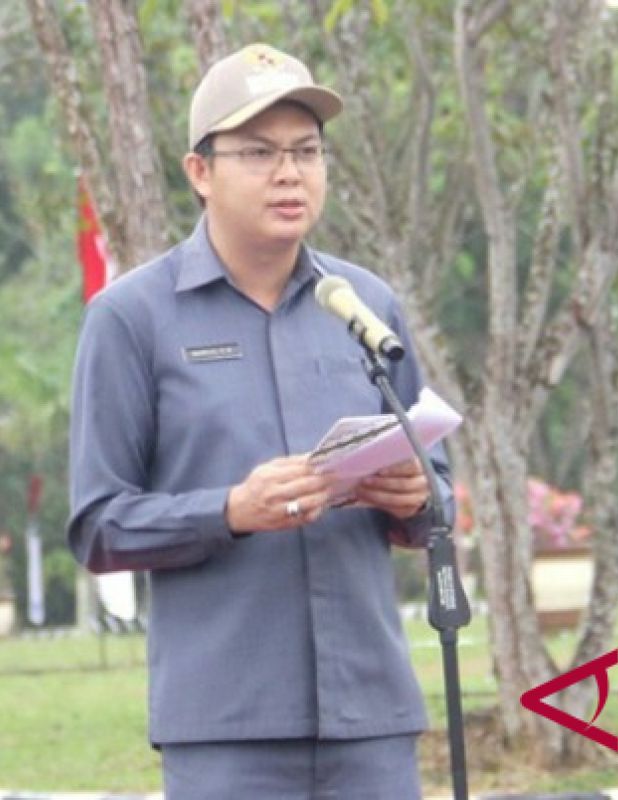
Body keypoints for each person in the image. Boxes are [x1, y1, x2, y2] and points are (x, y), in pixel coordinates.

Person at [67, 44, 452, 799]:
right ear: (200, 172)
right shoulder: (131, 319)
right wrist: (230, 511)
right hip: (226, 730)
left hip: (371, 720)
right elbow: (98, 525)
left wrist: (415, 496)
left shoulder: (364, 305)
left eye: (306, 151)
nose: (290, 173)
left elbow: (439, 502)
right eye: (259, 152)